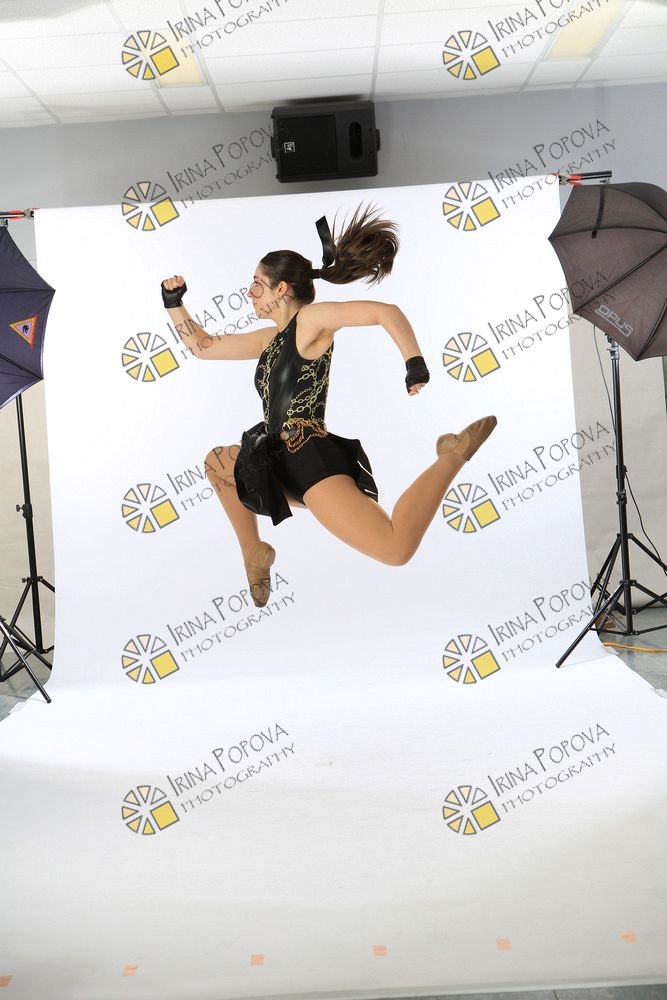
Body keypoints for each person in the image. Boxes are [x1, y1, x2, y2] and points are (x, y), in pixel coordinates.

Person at [161, 206, 497, 607]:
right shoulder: (269, 339)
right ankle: (253, 551)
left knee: (395, 548)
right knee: (219, 463)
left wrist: (414, 363)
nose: (250, 293)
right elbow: (203, 347)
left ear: (281, 289)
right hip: (275, 457)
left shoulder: (311, 320)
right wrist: (173, 302)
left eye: (257, 284)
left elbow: (385, 312)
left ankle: (451, 454)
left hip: (307, 457)